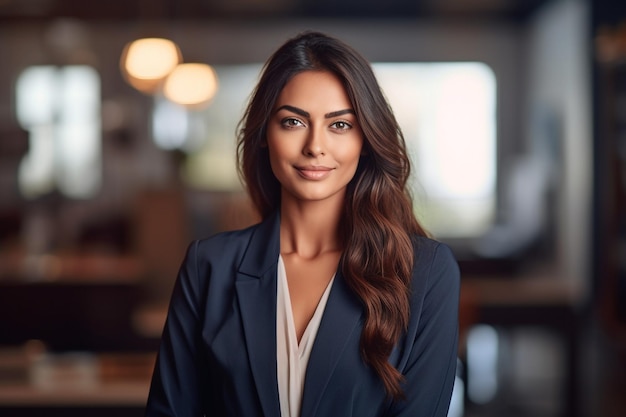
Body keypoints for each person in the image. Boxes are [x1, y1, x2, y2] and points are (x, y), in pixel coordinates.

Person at [145, 31, 460, 417]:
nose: (315, 145)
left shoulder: (425, 273)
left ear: (366, 138)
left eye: (339, 125)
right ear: (264, 135)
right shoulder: (208, 266)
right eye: (293, 122)